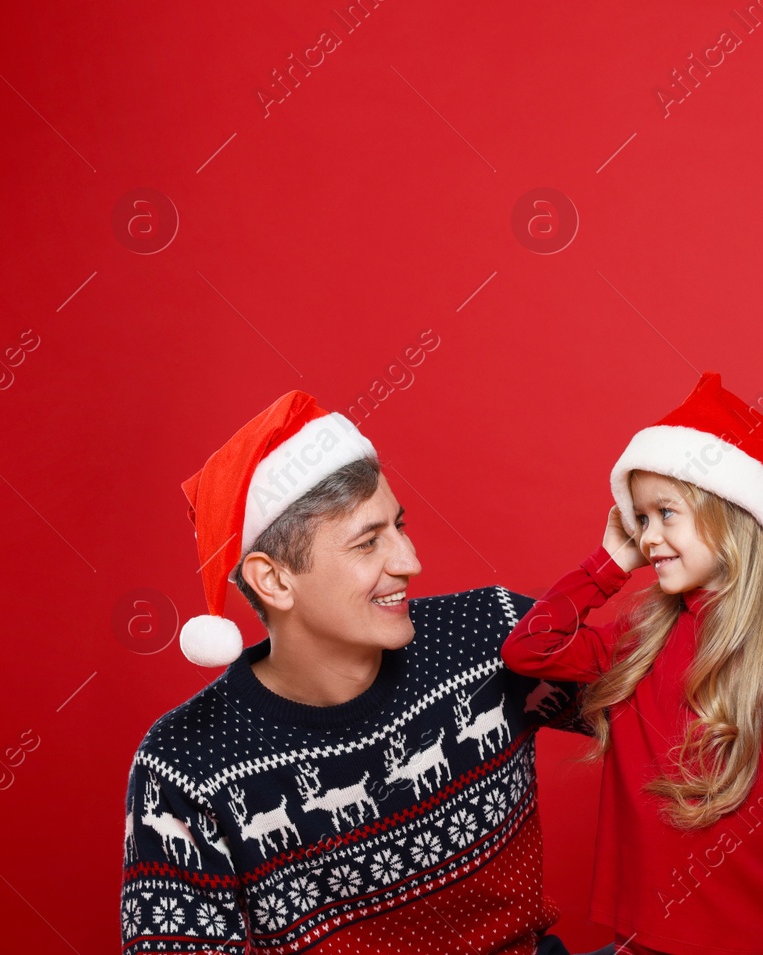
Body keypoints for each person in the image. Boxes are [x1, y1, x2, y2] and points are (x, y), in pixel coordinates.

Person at [120, 390, 585, 955]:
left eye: (399, 527)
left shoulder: (492, 633)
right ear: (274, 581)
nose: (409, 562)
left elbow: (689, 712)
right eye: (368, 543)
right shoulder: (186, 764)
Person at [500, 372, 763, 955]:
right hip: (638, 936)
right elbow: (529, 648)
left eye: (666, 513)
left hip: (742, 940)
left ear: (730, 515)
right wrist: (608, 563)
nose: (648, 537)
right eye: (640, 518)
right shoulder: (640, 636)